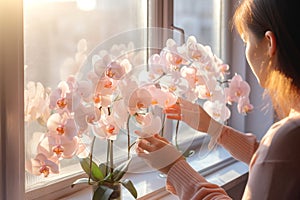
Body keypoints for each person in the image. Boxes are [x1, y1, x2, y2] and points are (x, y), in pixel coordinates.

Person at [135, 0, 300, 199]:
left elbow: (274, 159)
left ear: (269, 43)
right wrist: (215, 128)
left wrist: (174, 167)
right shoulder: (287, 141)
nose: (246, 50)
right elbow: (274, 163)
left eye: (246, 41)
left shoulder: (288, 136)